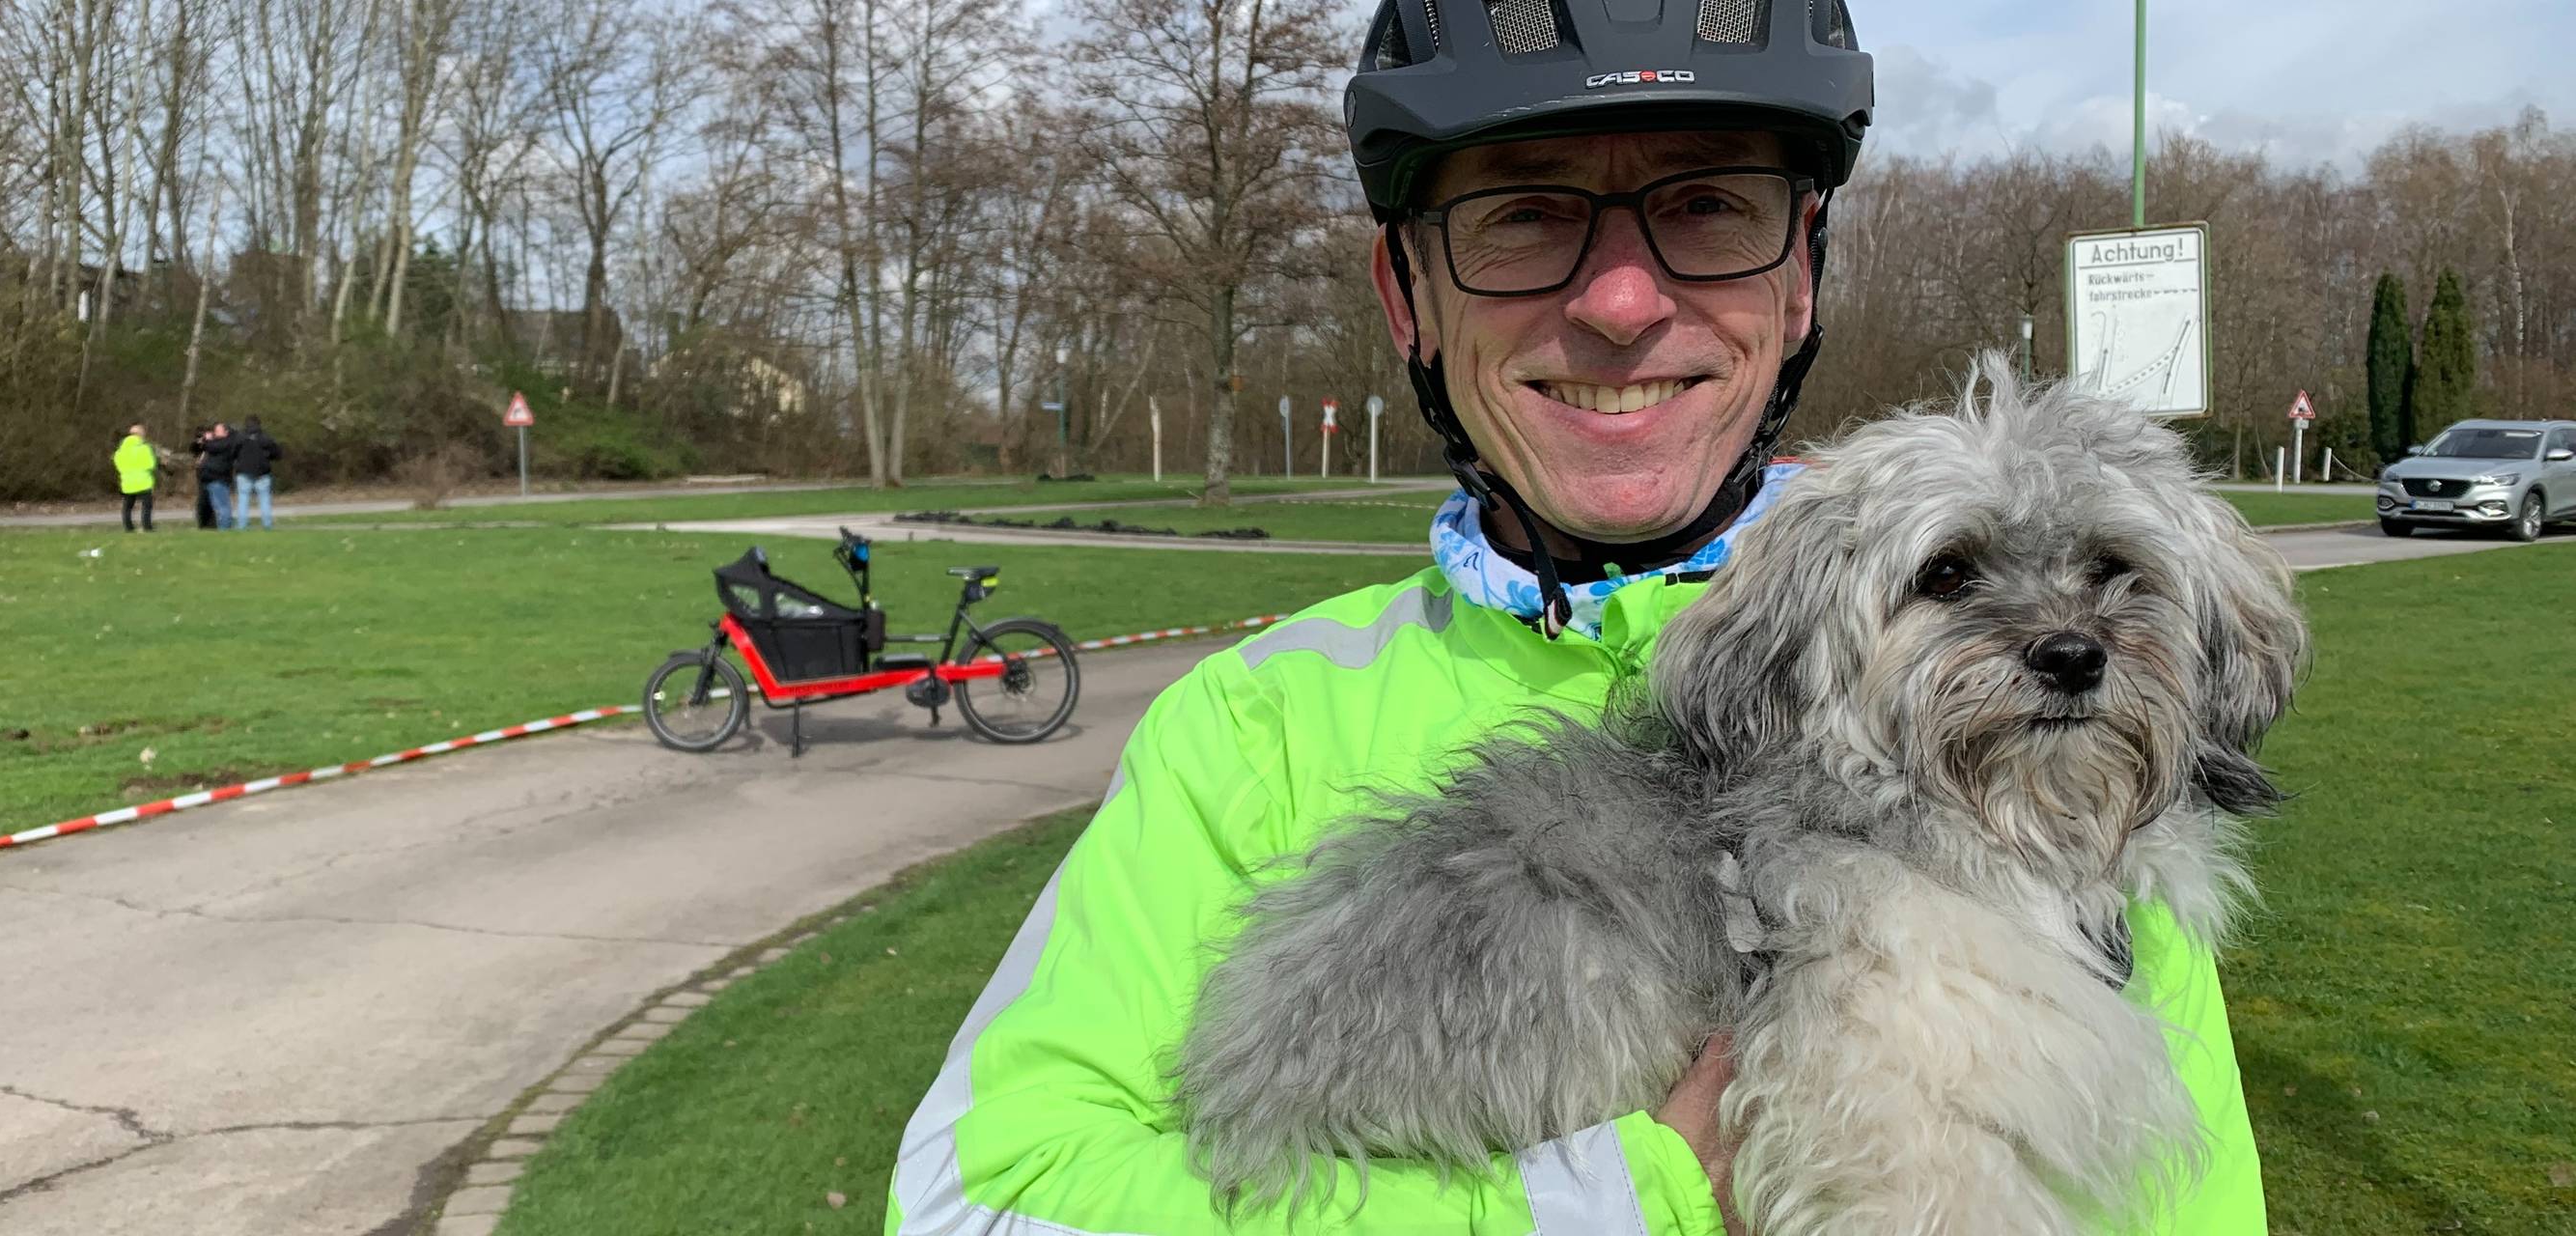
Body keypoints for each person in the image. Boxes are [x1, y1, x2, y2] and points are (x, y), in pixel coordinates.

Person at [884, 3, 2268, 1234]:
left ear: (1797, 281)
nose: (1617, 302)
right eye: (1524, 214)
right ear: (1406, 295)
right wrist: (1625, 1193)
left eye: (1708, 207)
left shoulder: (2086, 816)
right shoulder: (1251, 727)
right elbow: (973, 1204)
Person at [229, 416, 284, 529]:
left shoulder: (240, 438)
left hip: (243, 472)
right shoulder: (266, 438)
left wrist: (238, 460)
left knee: (243, 500)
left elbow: (232, 453)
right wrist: (268, 456)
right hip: (262, 473)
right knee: (264, 500)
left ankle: (242, 525)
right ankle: (267, 524)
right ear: (259, 425)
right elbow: (278, 454)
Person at [113, 424, 158, 532]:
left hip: (128, 482)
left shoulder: (121, 449)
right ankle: (147, 527)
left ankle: (128, 527)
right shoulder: (144, 448)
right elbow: (151, 464)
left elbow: (117, 462)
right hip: (143, 481)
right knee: (146, 506)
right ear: (140, 434)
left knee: (127, 507)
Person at [195, 421, 238, 530]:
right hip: (210, 478)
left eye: (218, 430)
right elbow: (198, 447)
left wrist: (207, 440)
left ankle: (225, 527)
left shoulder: (226, 443)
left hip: (218, 478)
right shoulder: (218, 443)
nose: (215, 432)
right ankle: (213, 525)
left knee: (222, 505)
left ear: (226, 432)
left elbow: (212, 447)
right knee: (215, 505)